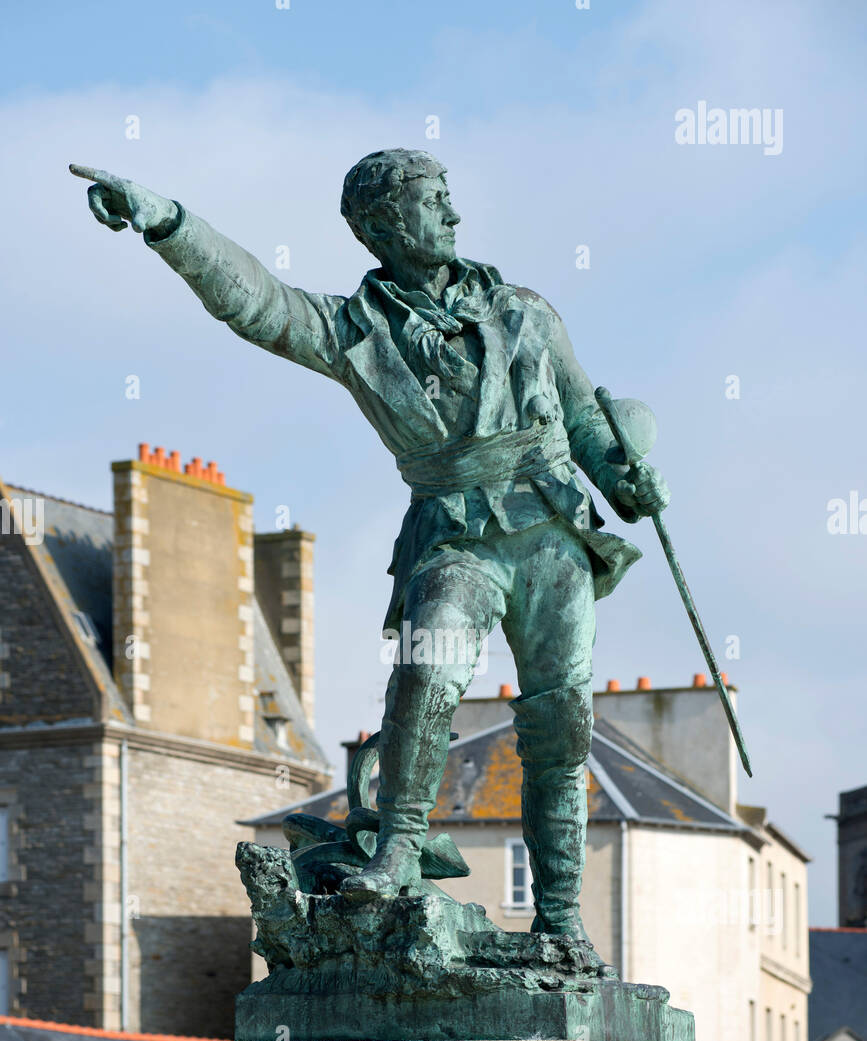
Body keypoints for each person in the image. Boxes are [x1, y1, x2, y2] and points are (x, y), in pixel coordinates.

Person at [70, 149, 670, 959]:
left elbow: (585, 417)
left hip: (550, 532)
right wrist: (168, 222)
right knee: (427, 669)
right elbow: (256, 302)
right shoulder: (357, 330)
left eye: (451, 198)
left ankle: (560, 918)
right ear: (381, 225)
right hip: (454, 532)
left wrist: (629, 480)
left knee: (559, 721)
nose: (453, 216)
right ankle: (396, 848)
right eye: (433, 201)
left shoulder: (526, 311)